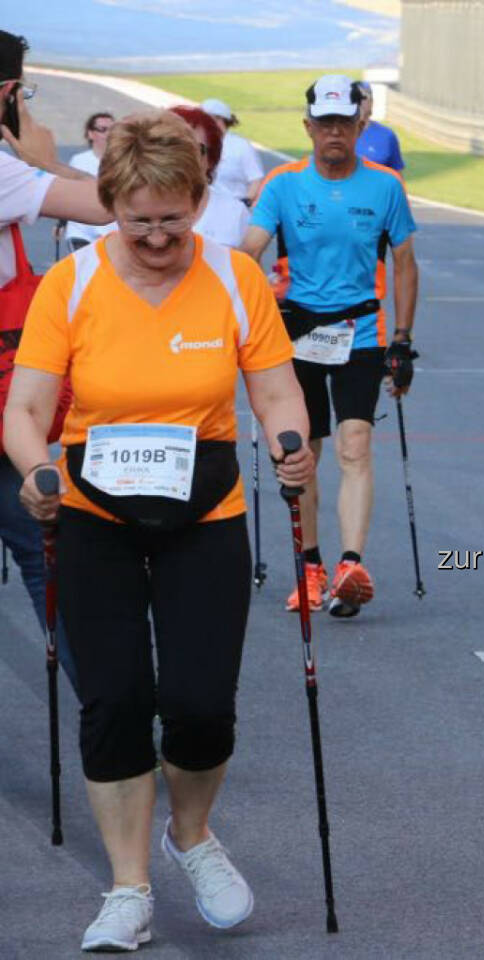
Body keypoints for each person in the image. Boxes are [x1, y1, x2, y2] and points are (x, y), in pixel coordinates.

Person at [3, 110, 313, 952]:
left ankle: (193, 834)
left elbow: (278, 392)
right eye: (136, 220)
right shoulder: (73, 285)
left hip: (204, 515)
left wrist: (291, 445)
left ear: (200, 200)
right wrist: (37, 472)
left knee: (201, 708)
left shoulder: (233, 279)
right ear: (110, 206)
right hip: (95, 515)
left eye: (172, 219)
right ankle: (129, 888)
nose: (154, 237)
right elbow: (26, 410)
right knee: (114, 705)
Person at [241, 74, 419, 618]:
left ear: (360, 125)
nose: (334, 133)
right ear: (308, 126)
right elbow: (248, 253)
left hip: (361, 333)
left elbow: (405, 264)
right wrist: (247, 316)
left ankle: (349, 565)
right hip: (297, 334)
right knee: (304, 454)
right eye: (325, 124)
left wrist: (404, 342)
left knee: (356, 444)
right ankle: (311, 567)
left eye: (344, 123)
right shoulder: (283, 185)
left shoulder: (385, 185)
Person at [0, 29, 115, 687]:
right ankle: (119, 726)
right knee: (52, 563)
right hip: (6, 411)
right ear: (9, 94)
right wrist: (50, 162)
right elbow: (124, 206)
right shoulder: (8, 169)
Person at [168, 105, 250, 247]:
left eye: (195, 149)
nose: (184, 157)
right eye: (174, 147)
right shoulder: (134, 209)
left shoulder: (235, 214)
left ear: (211, 159)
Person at [60, 112, 115, 251]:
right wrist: (62, 223)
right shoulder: (78, 161)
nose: (108, 134)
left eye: (112, 130)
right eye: (102, 129)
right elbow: (68, 194)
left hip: (112, 233)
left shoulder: (123, 162)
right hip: (81, 232)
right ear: (90, 134)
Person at [200, 98, 264, 206]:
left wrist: (246, 202)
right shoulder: (197, 143)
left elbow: (256, 180)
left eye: (215, 119)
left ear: (224, 121)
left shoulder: (241, 146)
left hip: (234, 206)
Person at [355, 82, 404, 175]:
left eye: (363, 97)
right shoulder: (339, 134)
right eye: (355, 98)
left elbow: (397, 176)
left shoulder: (387, 136)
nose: (359, 102)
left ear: (371, 102)